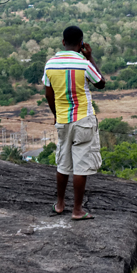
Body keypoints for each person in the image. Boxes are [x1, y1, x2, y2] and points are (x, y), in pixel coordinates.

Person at [43, 26, 106, 220]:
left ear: (63, 42)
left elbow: (49, 94)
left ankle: (60, 204)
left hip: (62, 120)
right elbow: (101, 82)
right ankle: (77, 210)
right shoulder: (83, 63)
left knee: (63, 163)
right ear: (81, 44)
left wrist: (55, 114)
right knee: (81, 165)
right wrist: (90, 57)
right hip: (83, 119)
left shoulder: (50, 64)